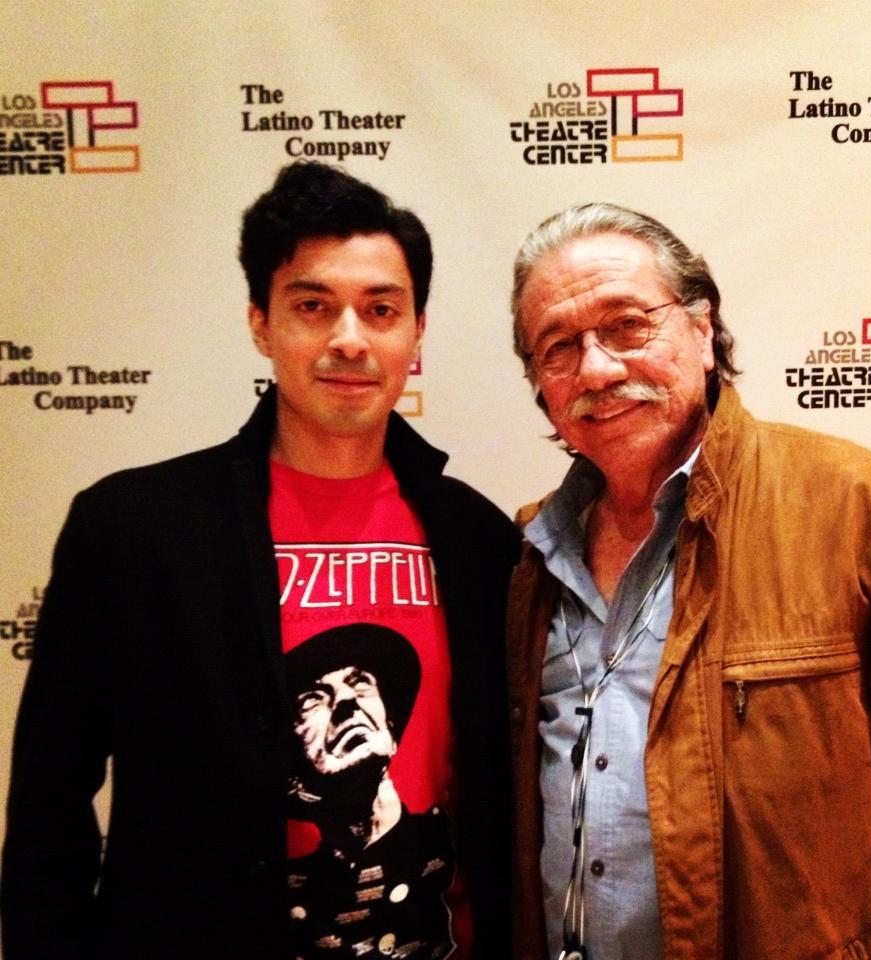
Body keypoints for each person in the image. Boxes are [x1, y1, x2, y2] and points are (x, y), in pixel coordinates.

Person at [1, 161, 519, 960]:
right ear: (260, 323)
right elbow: (48, 803)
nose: (350, 337)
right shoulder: (135, 530)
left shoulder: (480, 540)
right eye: (313, 306)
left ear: (416, 334)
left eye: (381, 309)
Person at [505, 202, 871, 960]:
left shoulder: (865, 512)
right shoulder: (527, 559)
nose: (597, 368)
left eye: (626, 325)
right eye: (558, 348)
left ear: (702, 329)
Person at [284, 623, 456, 959]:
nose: (347, 702)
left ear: (391, 727)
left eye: (359, 682)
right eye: (313, 700)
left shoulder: (443, 840)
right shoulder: (299, 884)